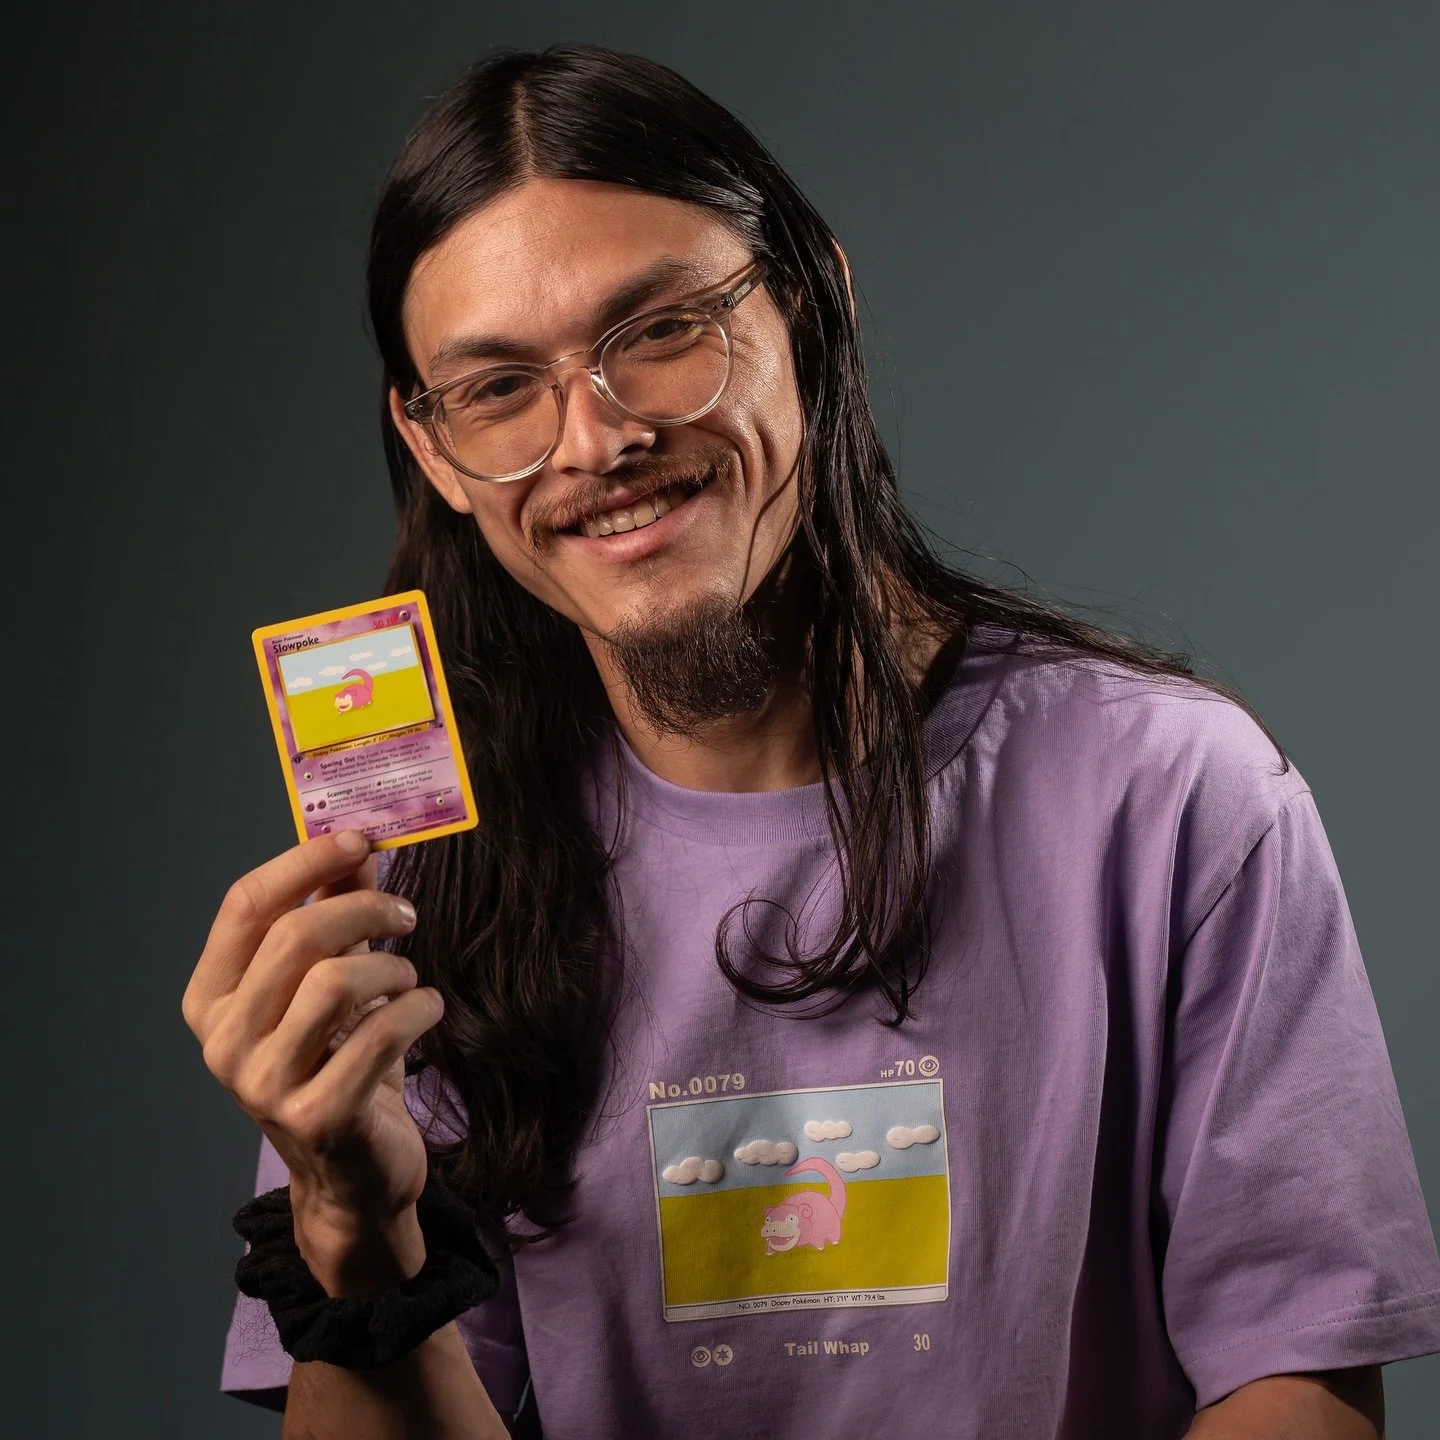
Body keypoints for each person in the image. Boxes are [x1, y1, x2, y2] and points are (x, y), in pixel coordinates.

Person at [184, 44, 1440, 1439]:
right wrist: (354, 1231)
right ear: (430, 450)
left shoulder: (1178, 799)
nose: (593, 440)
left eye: (659, 329)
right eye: (498, 390)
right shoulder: (417, 889)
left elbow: (1302, 1391)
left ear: (814, 307)